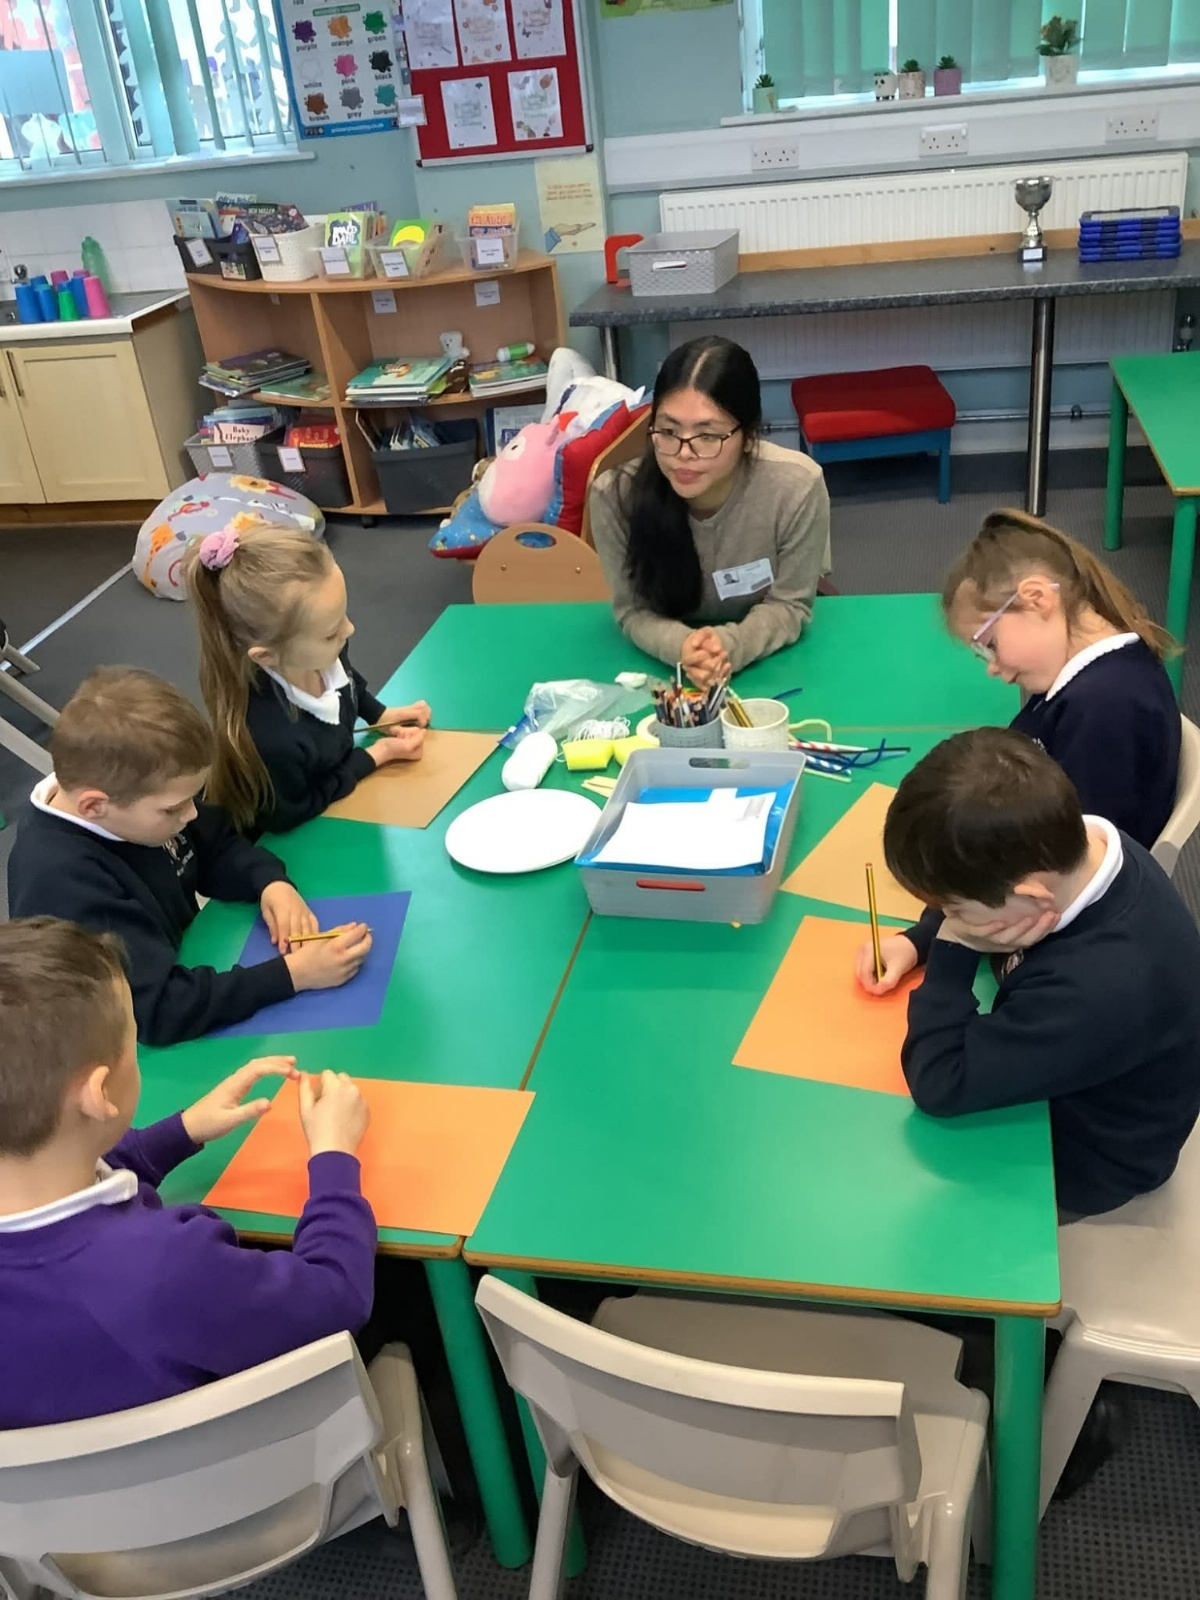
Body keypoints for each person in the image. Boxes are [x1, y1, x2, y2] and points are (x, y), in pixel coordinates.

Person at [0, 917, 377, 1428]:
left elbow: (62, 1180)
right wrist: (334, 1154)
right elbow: (338, 1300)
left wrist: (182, 1131)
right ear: (101, 1094)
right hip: (249, 1464)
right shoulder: (173, 1267)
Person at [858, 727, 1200, 1220]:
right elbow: (978, 880)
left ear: (1031, 898)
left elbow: (941, 1082)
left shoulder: (1099, 986)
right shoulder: (1079, 845)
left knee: (887, 1193)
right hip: (1067, 1079)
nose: (948, 918)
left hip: (1083, 1158)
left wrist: (952, 950)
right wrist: (918, 940)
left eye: (954, 909)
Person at [7, 667, 371, 1047]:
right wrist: (294, 975)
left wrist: (268, 882)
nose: (192, 815)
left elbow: (215, 847)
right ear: (94, 806)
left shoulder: (138, 802)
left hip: (175, 958)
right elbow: (157, 1009)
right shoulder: (62, 881)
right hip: (122, 1048)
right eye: (174, 809)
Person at [589, 336, 831, 687]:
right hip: (667, 666)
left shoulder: (797, 487)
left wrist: (730, 647)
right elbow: (632, 609)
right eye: (668, 431)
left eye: (707, 436)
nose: (683, 453)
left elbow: (790, 604)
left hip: (771, 662)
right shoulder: (614, 497)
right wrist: (682, 646)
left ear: (749, 437)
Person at [942, 508, 1179, 848]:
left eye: (989, 645)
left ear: (1037, 599)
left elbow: (1078, 851)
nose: (991, 667)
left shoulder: (1106, 708)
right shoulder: (1077, 677)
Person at [184, 523, 431, 836]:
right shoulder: (270, 738)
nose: (349, 630)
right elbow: (291, 812)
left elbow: (347, 682)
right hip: (288, 841)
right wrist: (376, 756)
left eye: (343, 616)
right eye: (331, 632)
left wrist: (381, 715)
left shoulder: (323, 653)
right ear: (266, 656)